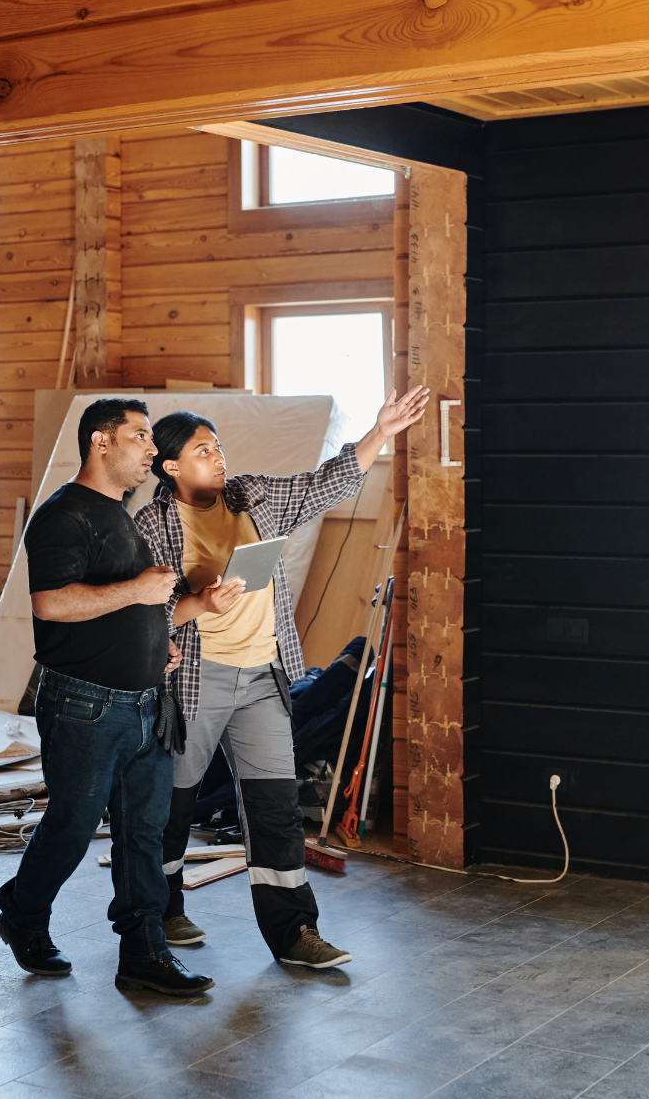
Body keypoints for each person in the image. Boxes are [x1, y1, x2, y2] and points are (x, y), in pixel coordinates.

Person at [135, 386, 430, 969]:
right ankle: (161, 908)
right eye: (201, 451)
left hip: (263, 676)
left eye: (217, 447)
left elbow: (328, 482)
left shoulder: (254, 496)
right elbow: (142, 612)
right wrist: (201, 601)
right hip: (196, 679)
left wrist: (381, 432)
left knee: (273, 806)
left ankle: (295, 932)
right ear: (170, 467)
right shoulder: (152, 525)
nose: (218, 458)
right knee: (173, 802)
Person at [0, 397, 213, 997]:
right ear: (101, 443)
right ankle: (23, 913)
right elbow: (53, 604)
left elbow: (126, 609)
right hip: (85, 706)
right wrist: (141, 591)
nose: (151, 448)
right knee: (71, 825)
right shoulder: (64, 516)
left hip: (145, 702)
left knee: (144, 832)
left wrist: (155, 647)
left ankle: (143, 953)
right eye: (140, 436)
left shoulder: (121, 513)